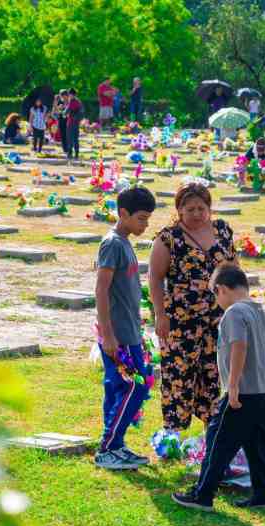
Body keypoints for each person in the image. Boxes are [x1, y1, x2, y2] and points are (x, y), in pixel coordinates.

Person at [172, 263, 265, 512]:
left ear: (220, 289)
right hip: (263, 390)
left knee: (218, 441)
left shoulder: (234, 313)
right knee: (257, 444)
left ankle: (203, 494)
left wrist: (232, 385)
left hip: (241, 392)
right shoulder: (262, 311)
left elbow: (239, 346)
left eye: (214, 294)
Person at [148, 182, 237, 433]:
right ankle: (173, 431)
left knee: (213, 370)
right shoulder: (169, 238)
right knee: (180, 373)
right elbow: (155, 278)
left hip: (218, 316)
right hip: (180, 318)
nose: (197, 214)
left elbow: (234, 268)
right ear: (179, 210)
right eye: (190, 209)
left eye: (201, 208)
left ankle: (213, 428)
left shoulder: (222, 230)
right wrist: (160, 315)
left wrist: (238, 306)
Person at [94, 186, 158, 470]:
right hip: (118, 335)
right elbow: (101, 289)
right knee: (137, 386)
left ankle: (115, 445)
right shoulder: (113, 244)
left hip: (130, 331)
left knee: (119, 387)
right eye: (142, 218)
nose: (145, 224)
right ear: (124, 214)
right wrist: (108, 334)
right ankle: (107, 448)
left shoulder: (125, 241)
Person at [65, 88, 83, 161]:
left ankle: (70, 154)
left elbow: (67, 111)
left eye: (69, 94)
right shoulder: (78, 101)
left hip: (71, 122)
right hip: (76, 122)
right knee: (75, 139)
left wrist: (63, 111)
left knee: (70, 138)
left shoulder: (72, 101)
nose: (69, 96)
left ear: (71, 94)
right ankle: (76, 154)